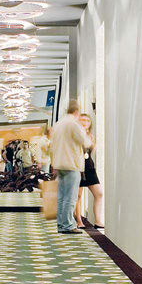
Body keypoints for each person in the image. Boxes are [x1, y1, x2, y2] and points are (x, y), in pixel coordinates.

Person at [50, 100, 93, 235]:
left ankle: (61, 223)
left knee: (62, 196)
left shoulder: (58, 124)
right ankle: (68, 225)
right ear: (76, 111)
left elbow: (52, 145)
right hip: (71, 164)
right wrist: (90, 140)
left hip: (59, 164)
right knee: (71, 196)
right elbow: (84, 141)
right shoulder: (74, 124)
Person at [74, 113, 104, 229]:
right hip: (78, 167)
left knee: (99, 193)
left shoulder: (90, 136)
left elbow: (93, 150)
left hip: (89, 166)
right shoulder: (75, 135)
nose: (85, 122)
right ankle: (79, 221)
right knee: (78, 195)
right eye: (82, 120)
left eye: (87, 121)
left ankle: (98, 220)